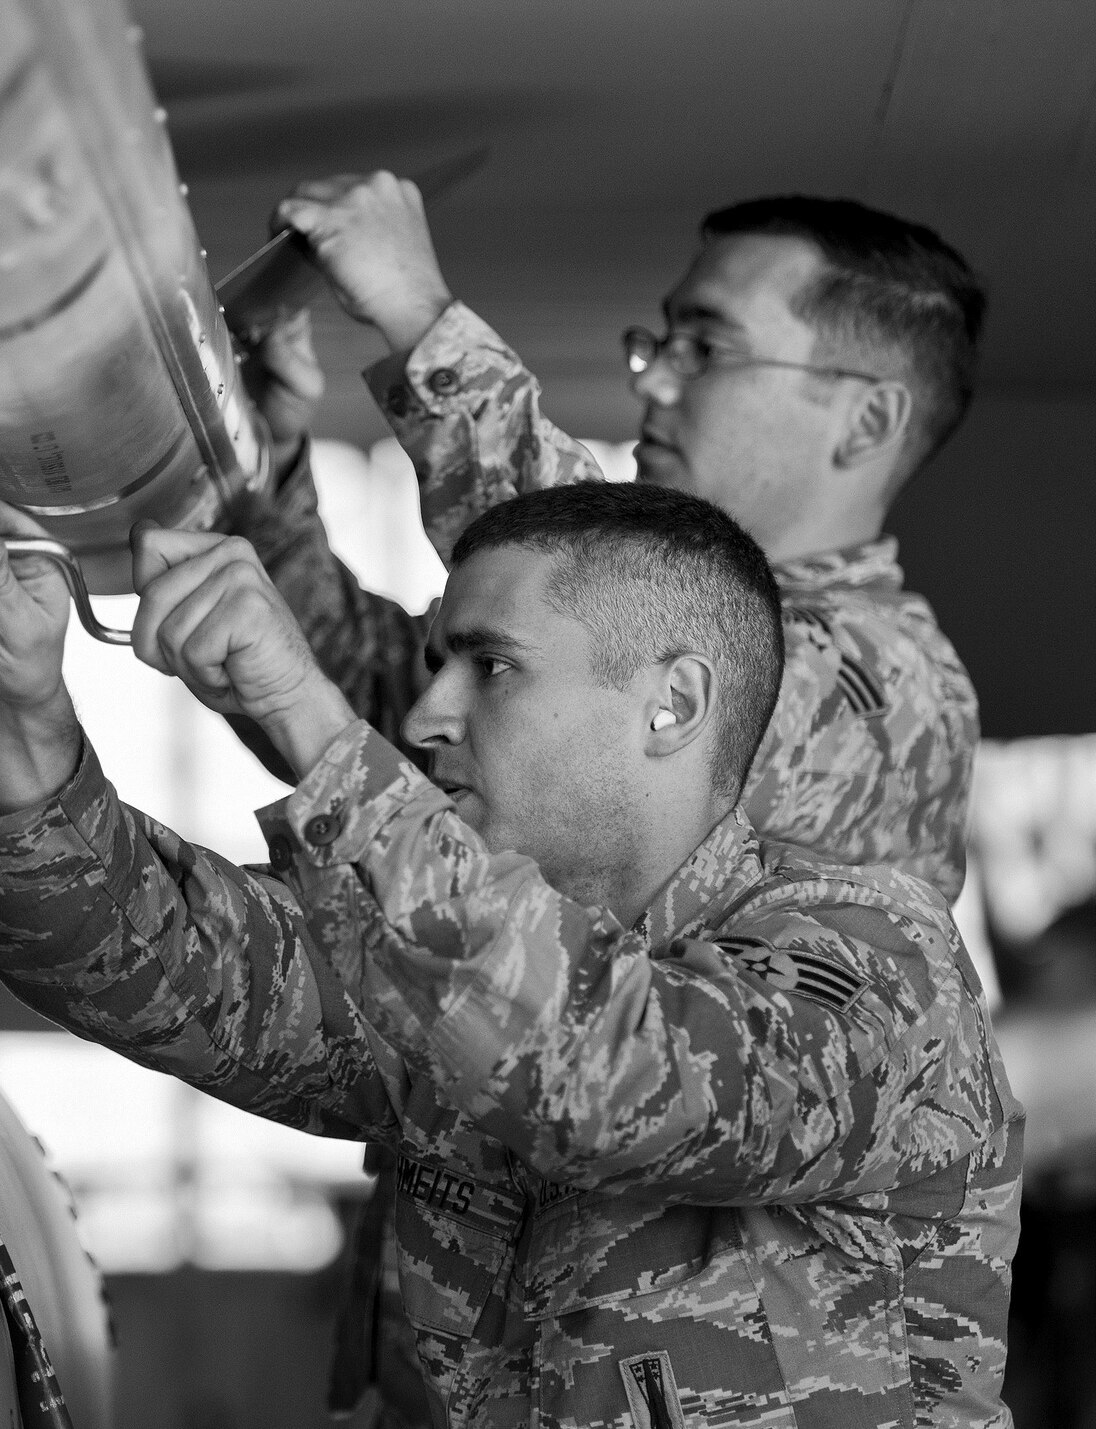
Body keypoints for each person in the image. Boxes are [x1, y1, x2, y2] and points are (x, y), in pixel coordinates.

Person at [0, 481, 1020, 1429]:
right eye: (437, 662)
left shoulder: (873, 950)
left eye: (488, 666)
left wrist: (307, 715)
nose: (425, 713)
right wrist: (16, 711)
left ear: (671, 704)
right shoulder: (447, 958)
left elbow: (612, 1070)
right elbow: (150, 960)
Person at [236, 180, 989, 1418]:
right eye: (660, 340)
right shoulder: (642, 661)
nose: (651, 379)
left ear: (863, 421)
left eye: (707, 344)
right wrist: (266, 476)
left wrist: (424, 323)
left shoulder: (876, 689)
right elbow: (397, 708)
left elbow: (569, 579)